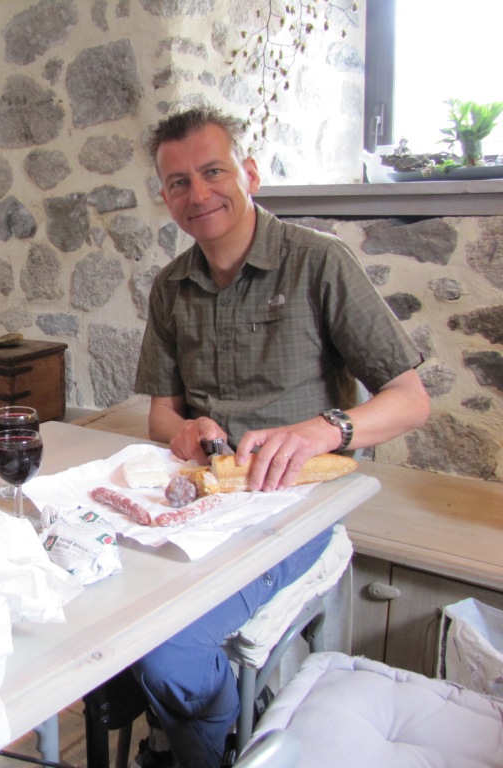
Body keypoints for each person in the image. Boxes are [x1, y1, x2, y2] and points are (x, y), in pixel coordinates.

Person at [131, 106, 430, 768]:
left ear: (250, 173)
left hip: (295, 509)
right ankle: (190, 726)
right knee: (103, 601)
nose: (199, 193)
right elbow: (160, 417)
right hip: (205, 498)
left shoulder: (319, 263)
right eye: (179, 182)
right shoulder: (170, 285)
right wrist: (185, 431)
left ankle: (208, 744)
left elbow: (411, 400)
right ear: (166, 197)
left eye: (213, 172)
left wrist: (329, 428)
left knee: (168, 652)